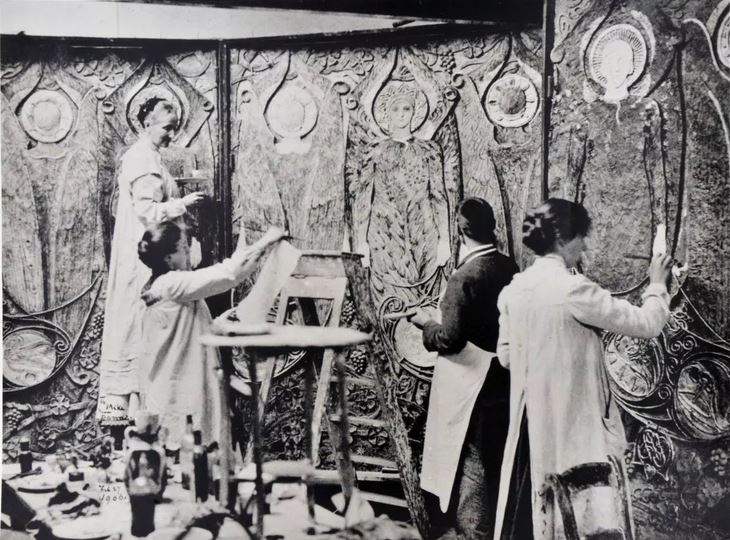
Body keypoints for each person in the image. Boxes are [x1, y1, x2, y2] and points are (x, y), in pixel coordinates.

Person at [492, 198, 673, 540]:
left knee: (543, 515)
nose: (585, 244)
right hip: (574, 427)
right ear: (562, 239)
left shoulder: (513, 291)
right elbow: (647, 323)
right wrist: (658, 284)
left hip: (533, 427)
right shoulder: (574, 290)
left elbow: (506, 357)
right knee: (582, 516)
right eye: (582, 237)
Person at [407, 198, 517, 539]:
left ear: (460, 232)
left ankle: (474, 534)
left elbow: (450, 340)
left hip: (473, 385)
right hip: (504, 376)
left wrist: (426, 324)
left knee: (472, 460)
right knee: (494, 457)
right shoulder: (508, 267)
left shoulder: (464, 276)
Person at [98, 98, 205, 425]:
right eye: (166, 128)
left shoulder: (145, 156)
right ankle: (142, 413)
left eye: (174, 128)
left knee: (146, 326)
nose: (171, 135)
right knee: (143, 324)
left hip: (145, 251)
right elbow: (148, 213)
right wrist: (182, 203)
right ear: (147, 124)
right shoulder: (142, 159)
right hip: (145, 257)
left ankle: (145, 412)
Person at [136, 222, 286, 444]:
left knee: (185, 449)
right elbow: (229, 274)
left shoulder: (161, 285)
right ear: (168, 258)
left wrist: (215, 324)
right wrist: (266, 240)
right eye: (184, 248)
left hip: (172, 383)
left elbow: (176, 332)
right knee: (189, 449)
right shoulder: (172, 283)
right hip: (178, 388)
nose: (188, 253)